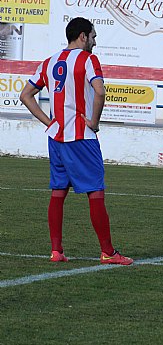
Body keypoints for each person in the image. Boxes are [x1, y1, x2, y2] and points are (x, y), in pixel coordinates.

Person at [19, 17, 133, 265]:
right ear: (82, 36)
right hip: (80, 136)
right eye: (93, 37)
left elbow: (25, 95)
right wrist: (93, 121)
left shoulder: (49, 62)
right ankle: (108, 252)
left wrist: (48, 122)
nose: (94, 42)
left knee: (58, 191)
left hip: (56, 137)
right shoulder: (88, 59)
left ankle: (56, 251)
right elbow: (100, 91)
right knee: (95, 192)